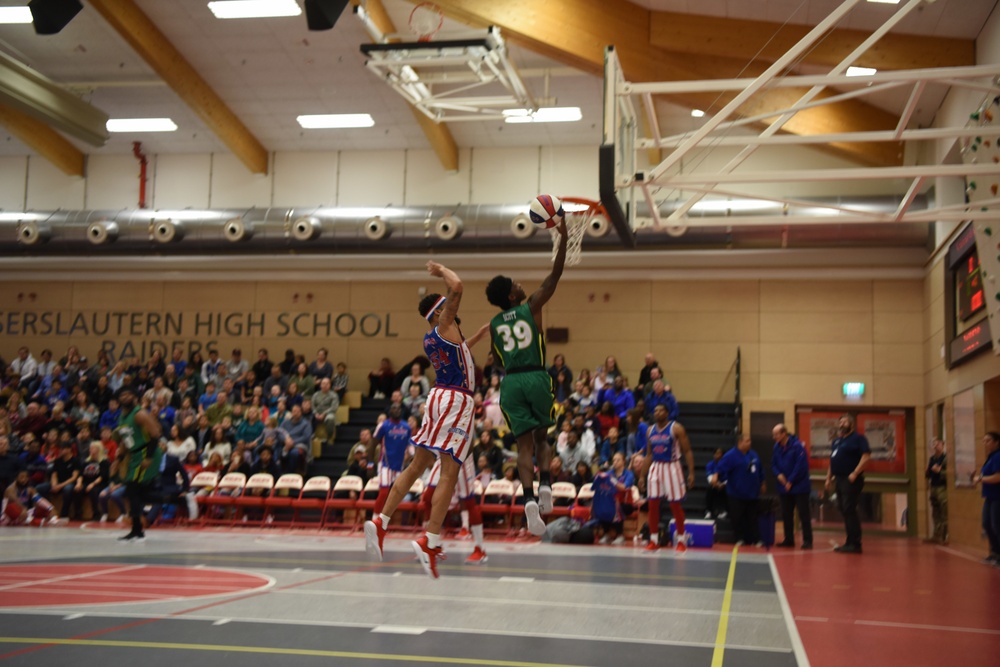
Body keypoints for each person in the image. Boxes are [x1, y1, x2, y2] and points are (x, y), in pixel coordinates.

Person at [364, 260, 489, 579]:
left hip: (437, 398)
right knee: (450, 471)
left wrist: (479, 334)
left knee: (418, 464)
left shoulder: (433, 337)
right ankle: (431, 540)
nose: (453, 306)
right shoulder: (446, 319)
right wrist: (443, 271)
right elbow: (458, 286)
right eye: (447, 305)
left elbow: (461, 350)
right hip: (457, 400)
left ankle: (381, 521)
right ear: (440, 310)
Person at [484, 212, 568, 536]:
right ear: (512, 296)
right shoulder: (531, 306)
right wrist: (561, 236)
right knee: (542, 438)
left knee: (523, 447)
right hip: (535, 376)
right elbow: (556, 274)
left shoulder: (493, 324)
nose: (521, 284)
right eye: (516, 285)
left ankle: (530, 500)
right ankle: (546, 484)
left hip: (511, 383)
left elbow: (494, 361)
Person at [638, 404, 695, 552]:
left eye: (660, 410)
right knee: (652, 505)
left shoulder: (676, 428)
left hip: (672, 467)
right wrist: (642, 476)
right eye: (655, 410)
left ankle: (682, 540)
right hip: (656, 467)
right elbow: (649, 455)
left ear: (667, 413)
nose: (657, 412)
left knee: (675, 505)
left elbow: (687, 451)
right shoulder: (650, 430)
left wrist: (692, 473)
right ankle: (653, 540)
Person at [116, 385, 164, 541]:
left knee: (132, 490)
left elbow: (155, 434)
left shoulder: (139, 414)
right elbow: (126, 438)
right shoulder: (122, 417)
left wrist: (149, 457)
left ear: (135, 397)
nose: (125, 396)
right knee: (133, 492)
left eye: (128, 393)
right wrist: (120, 456)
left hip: (146, 452)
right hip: (134, 454)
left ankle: (137, 529)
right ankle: (137, 528)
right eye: (122, 394)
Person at [421, 455, 489, 564]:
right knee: (428, 496)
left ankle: (480, 549)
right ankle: (433, 544)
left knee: (469, 502)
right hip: (444, 456)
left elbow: (469, 443)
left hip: (462, 460)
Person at [824, 414, 871, 554]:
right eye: (840, 422)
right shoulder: (837, 441)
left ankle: (856, 543)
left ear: (851, 425)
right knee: (843, 509)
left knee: (849, 509)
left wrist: (855, 473)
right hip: (838, 479)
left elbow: (866, 456)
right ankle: (849, 541)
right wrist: (828, 478)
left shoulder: (858, 439)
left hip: (851, 479)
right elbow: (832, 461)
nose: (842, 424)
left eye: (845, 422)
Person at [715, 433, 766, 546]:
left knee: (753, 518)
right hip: (736, 493)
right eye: (747, 441)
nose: (750, 443)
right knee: (737, 518)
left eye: (750, 441)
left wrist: (762, 482)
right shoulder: (730, 455)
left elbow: (760, 470)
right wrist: (716, 476)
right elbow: (720, 468)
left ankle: (756, 539)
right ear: (740, 442)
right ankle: (739, 538)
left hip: (752, 493)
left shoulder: (754, 454)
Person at [772, 423, 813, 549]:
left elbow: (801, 466)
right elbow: (773, 463)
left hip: (800, 486)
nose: (774, 437)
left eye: (776, 434)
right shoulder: (776, 447)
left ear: (784, 433)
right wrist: (778, 474)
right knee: (786, 514)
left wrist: (790, 481)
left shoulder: (797, 446)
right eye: (773, 434)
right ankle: (788, 539)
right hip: (784, 487)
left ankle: (807, 540)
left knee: (803, 514)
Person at [371, 404, 412, 516]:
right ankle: (375, 518)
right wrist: (370, 463)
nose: (396, 410)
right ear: (389, 411)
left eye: (398, 409)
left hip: (400, 465)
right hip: (385, 464)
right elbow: (373, 443)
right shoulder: (383, 425)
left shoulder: (407, 427)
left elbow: (410, 445)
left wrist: (412, 456)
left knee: (397, 494)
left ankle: (386, 519)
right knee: (384, 492)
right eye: (394, 408)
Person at [593, 451, 635, 545]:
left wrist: (613, 481)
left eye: (618, 460)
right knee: (603, 507)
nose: (615, 462)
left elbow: (624, 487)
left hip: (626, 503)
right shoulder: (609, 473)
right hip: (611, 501)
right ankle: (606, 534)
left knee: (617, 507)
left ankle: (620, 535)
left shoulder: (629, 474)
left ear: (623, 461)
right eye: (614, 460)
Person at [971, 431, 1000, 565]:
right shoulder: (990, 457)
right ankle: (994, 552)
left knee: (996, 525)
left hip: (997, 496)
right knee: (987, 524)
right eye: (983, 441)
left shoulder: (998, 456)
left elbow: (997, 477)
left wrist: (981, 479)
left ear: (996, 442)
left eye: (988, 440)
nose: (985, 443)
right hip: (989, 496)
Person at [925, 437, 948, 544]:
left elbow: (949, 474)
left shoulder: (945, 458)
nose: (935, 446)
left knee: (944, 511)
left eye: (938, 444)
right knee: (936, 512)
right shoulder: (932, 459)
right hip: (933, 486)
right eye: (934, 444)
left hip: (942, 487)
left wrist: (939, 471)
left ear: (942, 445)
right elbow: (928, 474)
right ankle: (936, 534)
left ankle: (945, 536)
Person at [704, 448, 726, 519]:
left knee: (725, 490)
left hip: (724, 484)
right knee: (709, 489)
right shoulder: (710, 464)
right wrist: (715, 484)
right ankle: (708, 511)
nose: (717, 455)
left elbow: (729, 476)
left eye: (719, 453)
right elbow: (709, 476)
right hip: (714, 484)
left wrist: (723, 484)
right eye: (716, 453)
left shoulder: (726, 465)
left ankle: (723, 511)